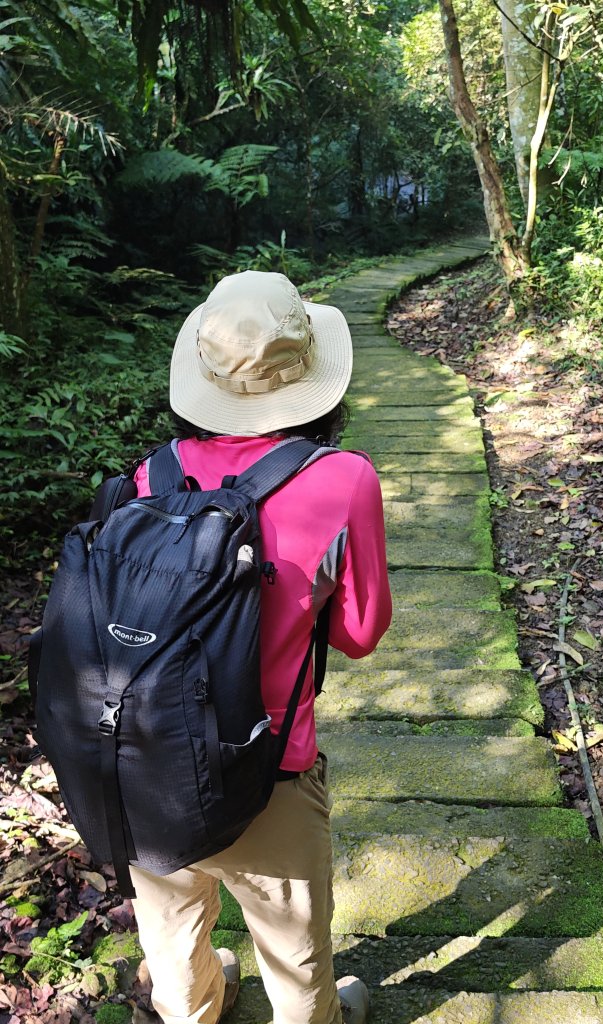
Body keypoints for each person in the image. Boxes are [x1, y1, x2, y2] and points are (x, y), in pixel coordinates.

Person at [127, 270, 392, 1024]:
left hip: (147, 754)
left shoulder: (156, 471)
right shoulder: (343, 478)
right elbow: (360, 634)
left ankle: (197, 1006)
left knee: (171, 931)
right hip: (267, 760)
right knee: (295, 951)